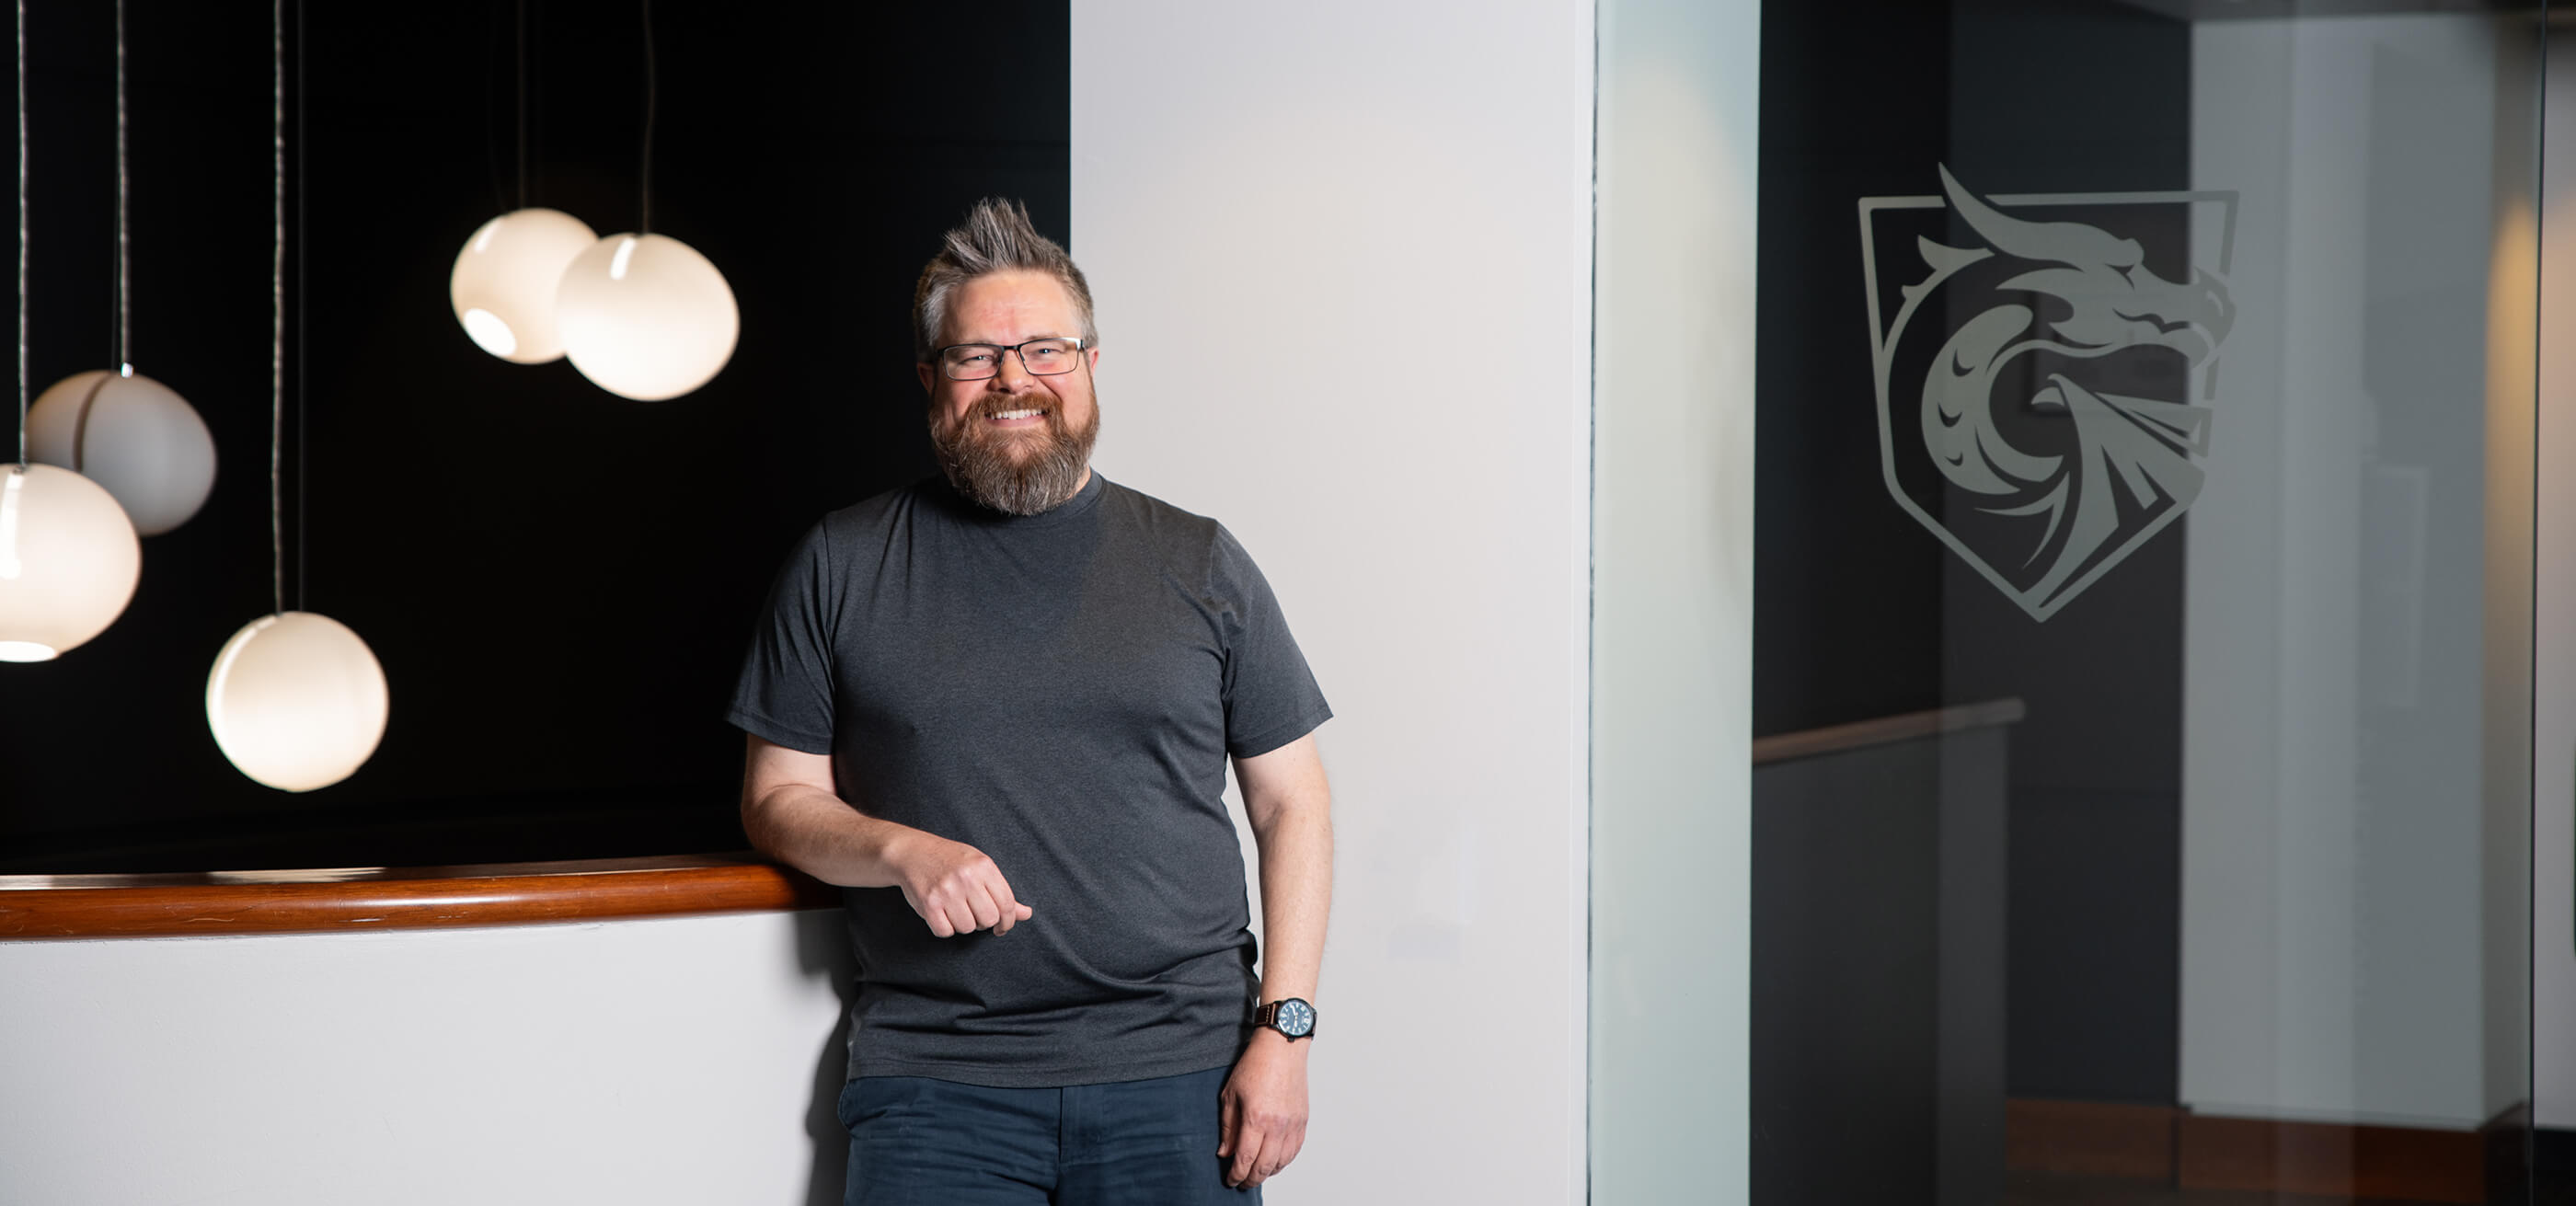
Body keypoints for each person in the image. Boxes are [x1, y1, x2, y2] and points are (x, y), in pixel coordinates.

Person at [729, 197, 1334, 1205]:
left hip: (1180, 1076)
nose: (1012, 378)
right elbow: (775, 799)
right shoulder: (841, 562)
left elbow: (1292, 803)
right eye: (977, 356)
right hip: (935, 1085)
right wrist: (898, 849)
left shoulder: (1199, 561)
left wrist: (1286, 1030)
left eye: (1043, 349)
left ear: (1091, 366)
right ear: (931, 380)